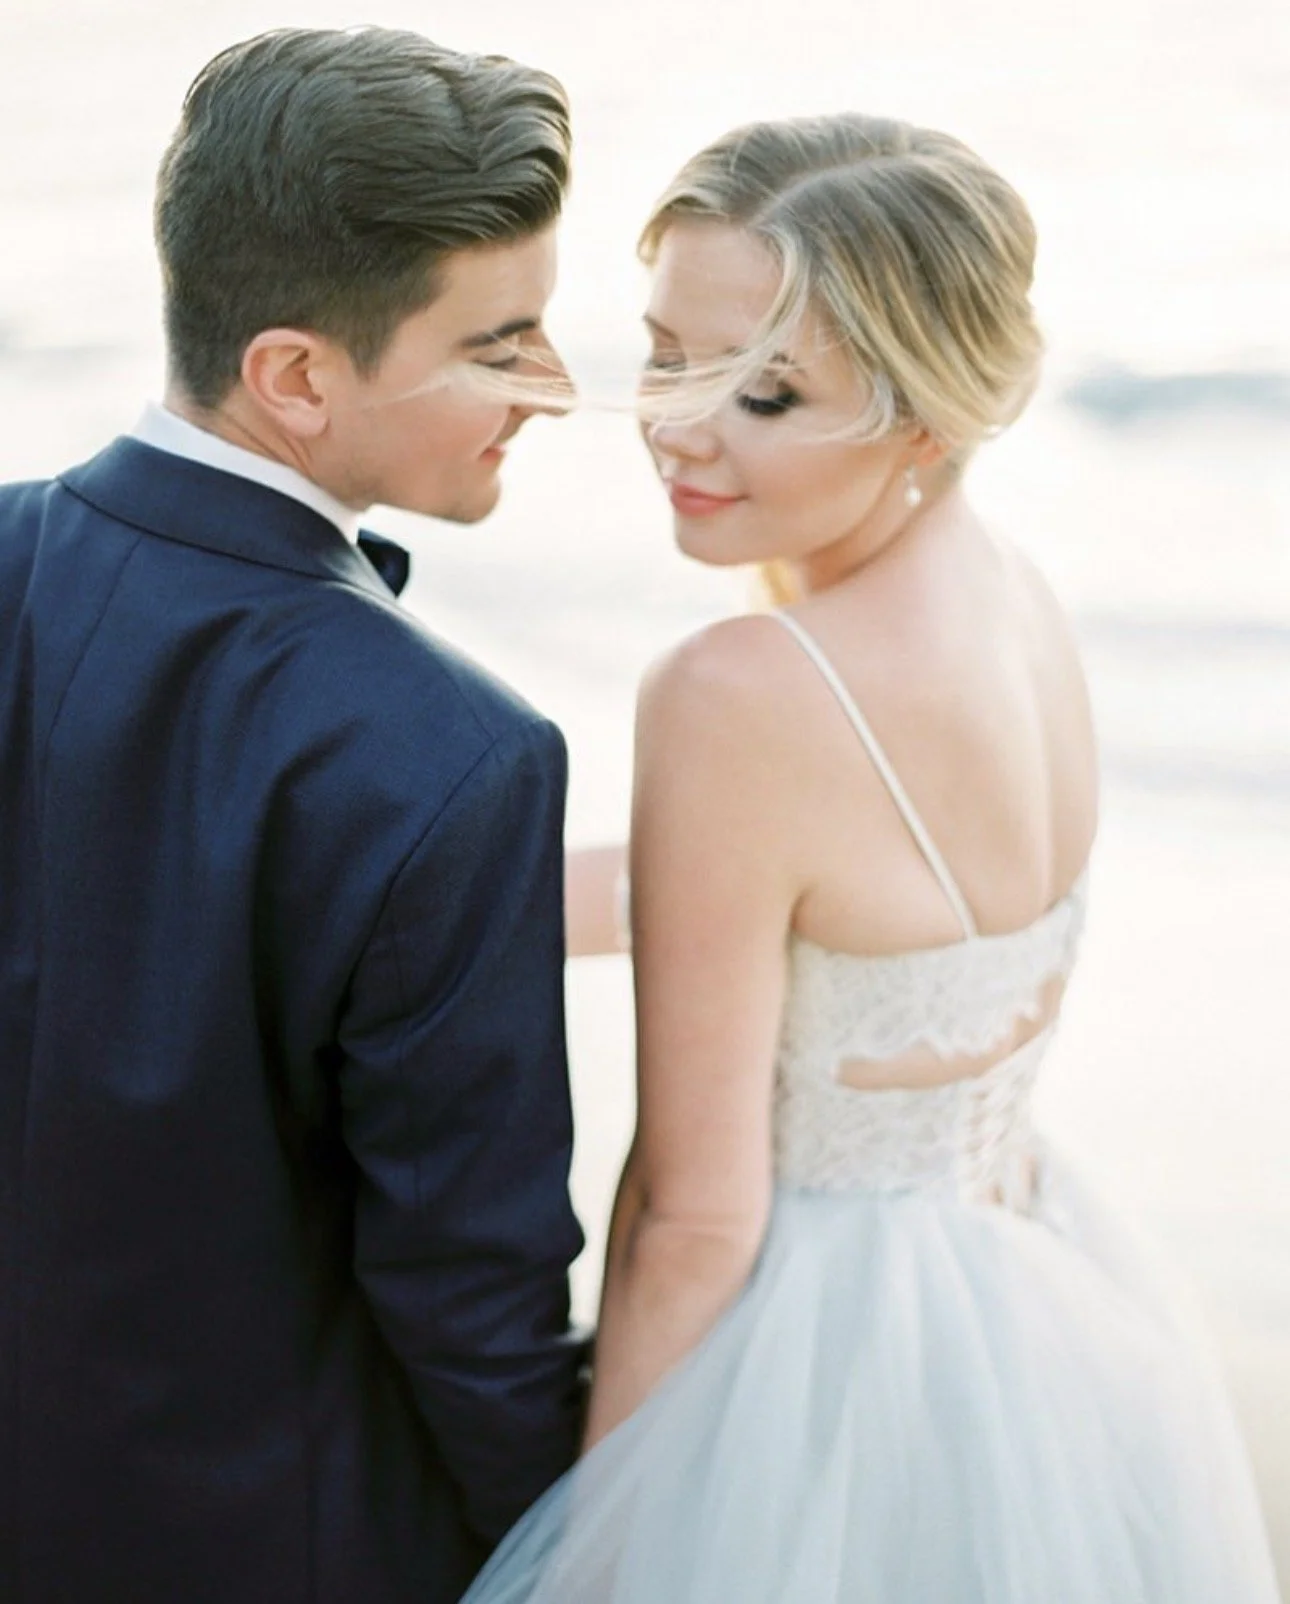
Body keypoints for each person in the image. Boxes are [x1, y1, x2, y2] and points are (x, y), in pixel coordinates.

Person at [466, 114, 1282, 1602]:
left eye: (765, 393)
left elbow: (693, 1215)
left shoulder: (742, 691)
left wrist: (601, 1529)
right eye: (668, 356)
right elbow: (813, 905)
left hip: (810, 1372)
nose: (679, 426)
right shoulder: (1011, 599)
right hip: (1024, 1309)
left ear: (924, 415)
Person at [0, 28, 587, 1604]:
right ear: (296, 375)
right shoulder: (456, 753)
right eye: (503, 344)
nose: (555, 391)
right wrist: (565, 1545)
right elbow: (470, 1276)